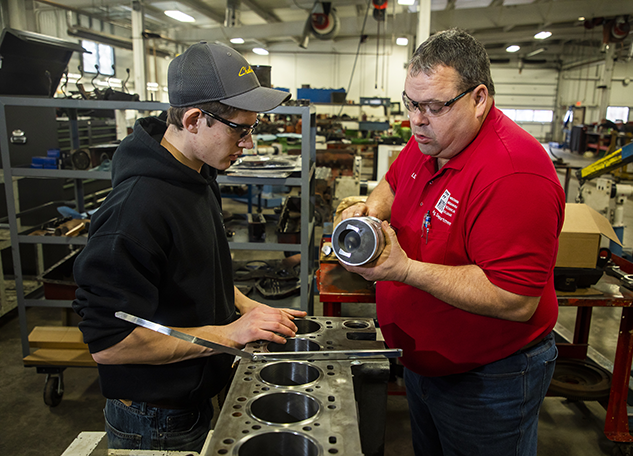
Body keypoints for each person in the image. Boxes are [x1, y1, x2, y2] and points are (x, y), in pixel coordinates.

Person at [340, 28, 565, 456]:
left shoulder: (514, 174)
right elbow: (392, 183)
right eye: (410, 103)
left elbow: (515, 297)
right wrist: (369, 212)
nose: (417, 120)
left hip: (489, 379)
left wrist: (402, 269)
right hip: (425, 365)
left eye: (434, 106)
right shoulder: (434, 137)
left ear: (479, 99)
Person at [72, 41, 306, 453]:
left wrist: (247, 307)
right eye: (241, 128)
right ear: (195, 119)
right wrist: (230, 335)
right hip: (154, 417)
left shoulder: (198, 178)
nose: (248, 143)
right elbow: (109, 344)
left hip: (193, 395)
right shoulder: (136, 211)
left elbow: (198, 272)